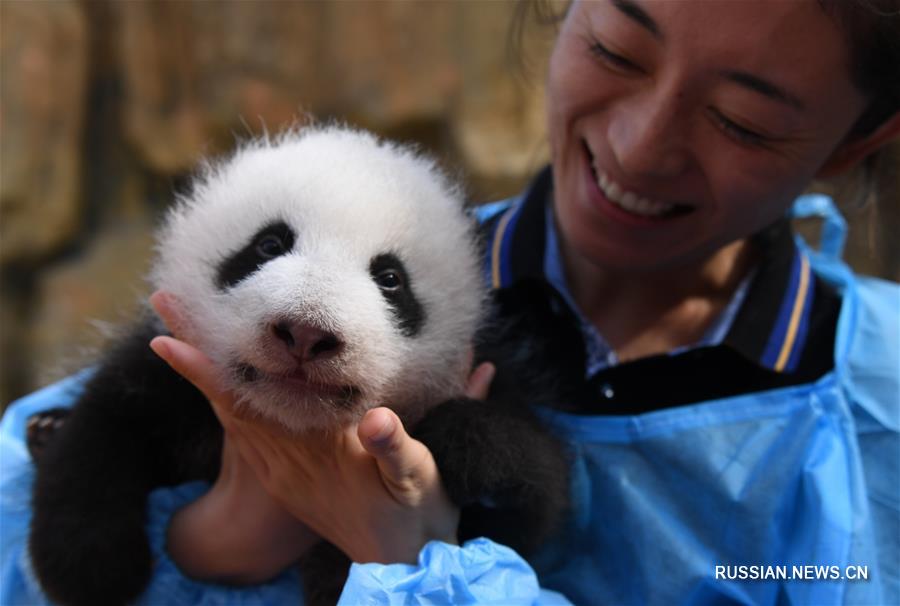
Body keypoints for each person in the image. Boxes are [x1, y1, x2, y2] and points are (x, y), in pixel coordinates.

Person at [2, 0, 898, 604]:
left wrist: (403, 559)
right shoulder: (417, 248)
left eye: (742, 119)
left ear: (856, 143)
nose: (639, 146)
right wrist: (217, 539)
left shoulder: (873, 411)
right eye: (617, 52)